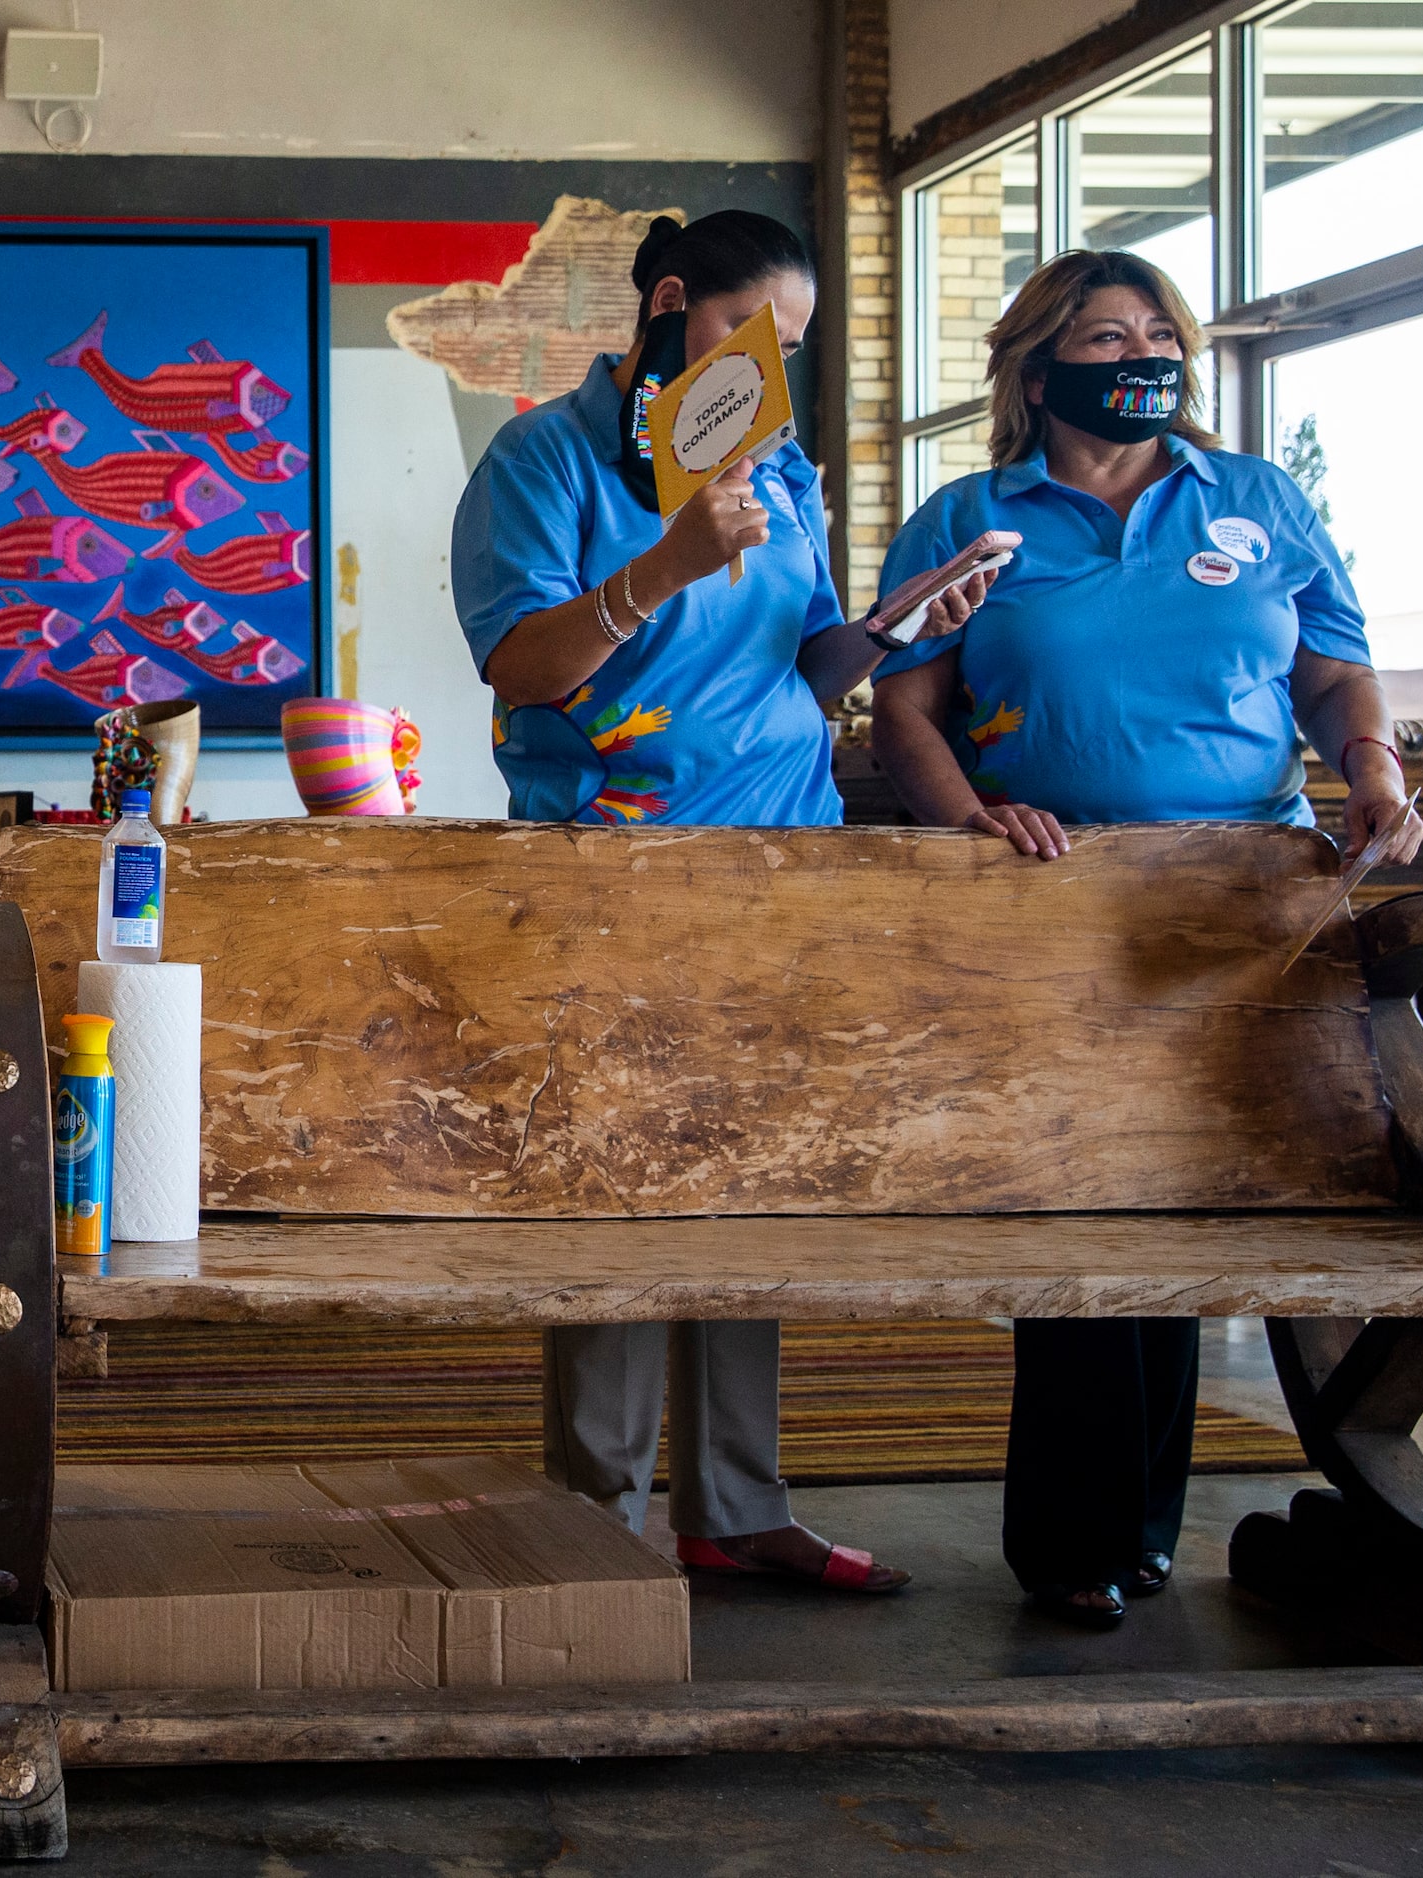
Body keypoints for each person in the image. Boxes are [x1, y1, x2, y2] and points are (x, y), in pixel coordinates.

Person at [867, 247, 1423, 1626]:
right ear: (1038, 363)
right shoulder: (969, 512)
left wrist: (1371, 765)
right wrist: (970, 820)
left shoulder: (1252, 498)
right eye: (1104, 334)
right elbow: (904, 706)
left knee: (1201, 1207)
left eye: (1155, 332)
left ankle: (1149, 1527)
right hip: (1056, 909)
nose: (1140, 356)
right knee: (1083, 1209)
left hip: (1244, 902)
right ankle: (1069, 1542)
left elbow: (1332, 665)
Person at [450, 210, 991, 1593]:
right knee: (617, 1192)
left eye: (795, 349)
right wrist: (661, 566)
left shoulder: (783, 472)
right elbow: (522, 668)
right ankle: (593, 1513)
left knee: (750, 1187)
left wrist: (890, 632)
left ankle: (735, 1503)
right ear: (676, 305)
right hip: (609, 875)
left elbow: (789, 677)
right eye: (760, 335)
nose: (775, 370)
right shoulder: (544, 458)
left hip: (780, 871)